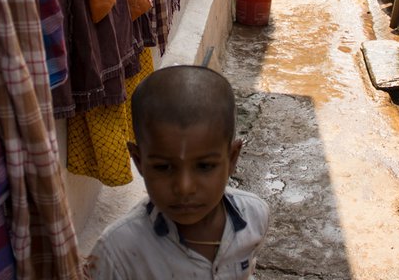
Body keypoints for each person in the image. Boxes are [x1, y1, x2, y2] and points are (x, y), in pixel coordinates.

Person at [86, 66, 270, 279]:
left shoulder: (254, 216)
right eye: (164, 167)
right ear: (139, 161)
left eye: (204, 166)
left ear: (232, 159)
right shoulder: (116, 252)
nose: (184, 187)